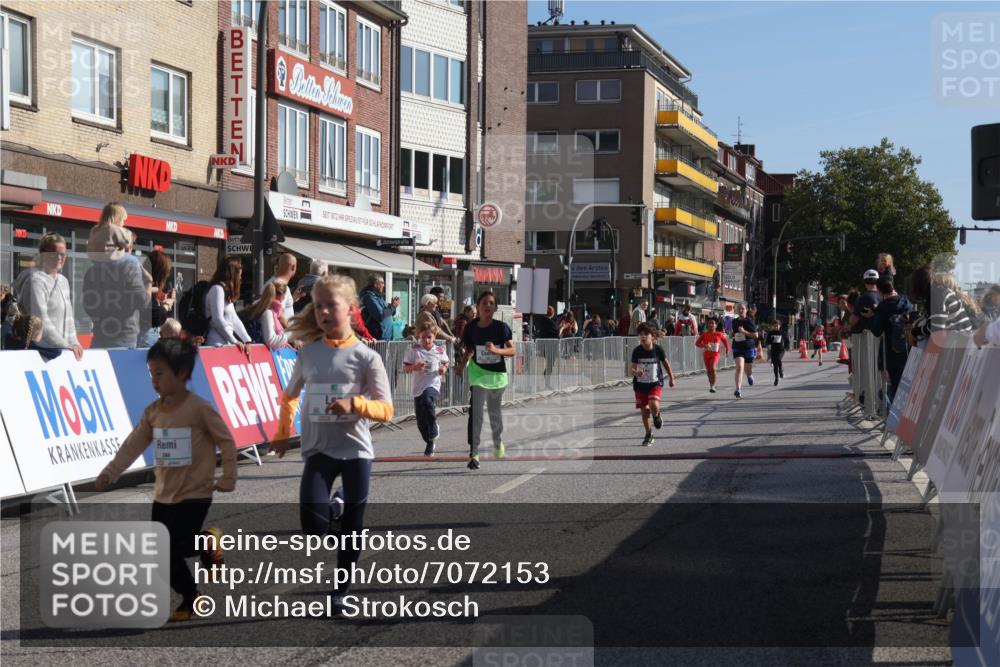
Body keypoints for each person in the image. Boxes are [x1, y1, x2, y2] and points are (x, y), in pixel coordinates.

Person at [270, 274, 393, 615]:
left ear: (352, 311)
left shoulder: (367, 358)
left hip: (355, 451)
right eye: (318, 305)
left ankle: (340, 592)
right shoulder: (309, 353)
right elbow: (290, 396)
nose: (323, 311)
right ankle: (335, 506)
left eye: (331, 305)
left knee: (352, 531)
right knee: (313, 526)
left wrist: (355, 405)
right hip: (319, 451)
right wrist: (282, 433)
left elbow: (386, 409)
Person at [95, 338, 237, 622]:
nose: (154, 380)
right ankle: (191, 596)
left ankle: (206, 542)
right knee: (160, 553)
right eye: (151, 374)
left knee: (175, 545)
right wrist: (111, 470)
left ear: (182, 373)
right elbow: (133, 444)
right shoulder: (153, 412)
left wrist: (229, 475)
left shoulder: (199, 408)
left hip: (195, 493)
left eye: (160, 373)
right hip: (164, 494)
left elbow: (227, 441)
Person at [456, 292, 514, 470]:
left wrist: (497, 351)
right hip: (478, 374)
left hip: (497, 376)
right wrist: (461, 365)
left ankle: (497, 441)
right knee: (476, 413)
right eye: (484, 303)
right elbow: (469, 349)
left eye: (491, 303)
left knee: (494, 413)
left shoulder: (501, 327)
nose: (487, 306)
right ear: (478, 307)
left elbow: (512, 350)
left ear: (495, 308)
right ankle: (474, 453)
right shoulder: (471, 328)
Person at [12, 232, 84, 360]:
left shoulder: (63, 281)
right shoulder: (35, 280)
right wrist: (65, 345)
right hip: (40, 353)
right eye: (55, 254)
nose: (60, 258)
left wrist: (74, 342)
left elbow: (69, 318)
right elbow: (41, 320)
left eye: (63, 254)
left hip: (59, 352)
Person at [403, 321, 450, 456]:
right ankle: (429, 442)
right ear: (419, 336)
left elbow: (445, 364)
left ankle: (433, 426)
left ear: (434, 336)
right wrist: (414, 367)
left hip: (433, 384)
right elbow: (405, 367)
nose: (426, 340)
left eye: (429, 337)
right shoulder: (414, 350)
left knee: (427, 400)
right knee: (421, 424)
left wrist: (443, 369)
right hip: (418, 387)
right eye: (423, 337)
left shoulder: (440, 350)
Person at [630, 324, 676, 446]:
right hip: (640, 384)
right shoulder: (637, 351)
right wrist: (636, 372)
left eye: (646, 334)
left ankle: (656, 416)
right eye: (641, 334)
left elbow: (666, 363)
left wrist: (671, 377)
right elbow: (632, 368)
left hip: (655, 382)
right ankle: (649, 434)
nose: (643, 337)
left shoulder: (658, 349)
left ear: (653, 337)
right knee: (644, 411)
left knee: (653, 403)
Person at [870, 277, 914, 403]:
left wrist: (875, 313)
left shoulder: (884, 306)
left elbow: (876, 330)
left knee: (895, 382)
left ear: (879, 290)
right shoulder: (905, 301)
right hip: (909, 347)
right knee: (907, 382)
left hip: (891, 350)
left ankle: (896, 415)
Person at [908, 266, 975, 346]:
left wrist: (914, 332)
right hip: (961, 339)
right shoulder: (940, 291)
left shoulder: (936, 295)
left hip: (957, 343)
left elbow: (936, 328)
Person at [204, 256, 252, 352]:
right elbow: (217, 319)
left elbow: (234, 319)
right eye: (239, 273)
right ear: (232, 273)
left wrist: (247, 340)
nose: (240, 277)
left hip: (226, 343)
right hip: (216, 344)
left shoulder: (225, 291)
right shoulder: (217, 289)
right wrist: (234, 340)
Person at [140, 250, 176, 347]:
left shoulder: (144, 285)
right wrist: (166, 305)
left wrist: (162, 298)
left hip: (145, 340)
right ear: (160, 273)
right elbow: (155, 317)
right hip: (143, 341)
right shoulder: (144, 286)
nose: (168, 276)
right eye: (167, 272)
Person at [245, 281, 292, 349]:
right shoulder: (268, 313)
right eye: (285, 295)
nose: (285, 298)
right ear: (282, 296)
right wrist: (290, 334)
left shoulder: (270, 311)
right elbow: (271, 341)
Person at [730, 303, 759, 398]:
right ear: (737, 310)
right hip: (737, 347)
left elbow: (756, 335)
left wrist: (744, 332)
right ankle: (738, 389)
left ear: (746, 310)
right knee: (739, 367)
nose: (741, 310)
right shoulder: (734, 321)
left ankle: (749, 375)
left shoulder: (749, 321)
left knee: (748, 369)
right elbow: (733, 333)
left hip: (748, 347)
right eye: (739, 309)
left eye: (742, 309)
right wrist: (731, 334)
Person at [694, 317, 730, 392]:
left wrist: (727, 350)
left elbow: (725, 342)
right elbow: (697, 343)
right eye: (710, 323)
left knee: (713, 368)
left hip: (715, 354)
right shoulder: (704, 334)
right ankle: (711, 384)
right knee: (708, 371)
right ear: (707, 324)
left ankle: (713, 385)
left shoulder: (719, 334)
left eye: (713, 323)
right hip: (707, 354)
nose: (711, 325)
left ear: (716, 325)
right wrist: (704, 345)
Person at [359, 274, 394, 341]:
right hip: (378, 338)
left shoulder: (378, 297)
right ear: (375, 284)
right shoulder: (369, 298)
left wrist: (393, 307)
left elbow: (387, 312)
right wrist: (393, 307)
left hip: (386, 338)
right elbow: (380, 315)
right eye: (382, 283)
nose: (384, 285)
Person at [266, 252, 297, 324]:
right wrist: (293, 331)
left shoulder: (273, 282)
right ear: (293, 267)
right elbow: (279, 314)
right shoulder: (280, 286)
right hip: (282, 333)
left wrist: (293, 299)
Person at [849, 270, 882, 334]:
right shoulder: (885, 295)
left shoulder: (863, 298)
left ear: (865, 282)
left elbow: (853, 320)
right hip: (886, 334)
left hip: (871, 337)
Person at [766, 320, 788, 386]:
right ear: (772, 326)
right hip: (773, 350)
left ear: (779, 326)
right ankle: (776, 379)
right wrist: (769, 343)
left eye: (777, 326)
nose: (776, 327)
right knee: (775, 365)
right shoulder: (770, 333)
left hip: (781, 350)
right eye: (774, 326)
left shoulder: (782, 332)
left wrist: (787, 346)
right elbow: (767, 342)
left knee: (778, 360)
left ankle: (780, 370)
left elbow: (787, 340)